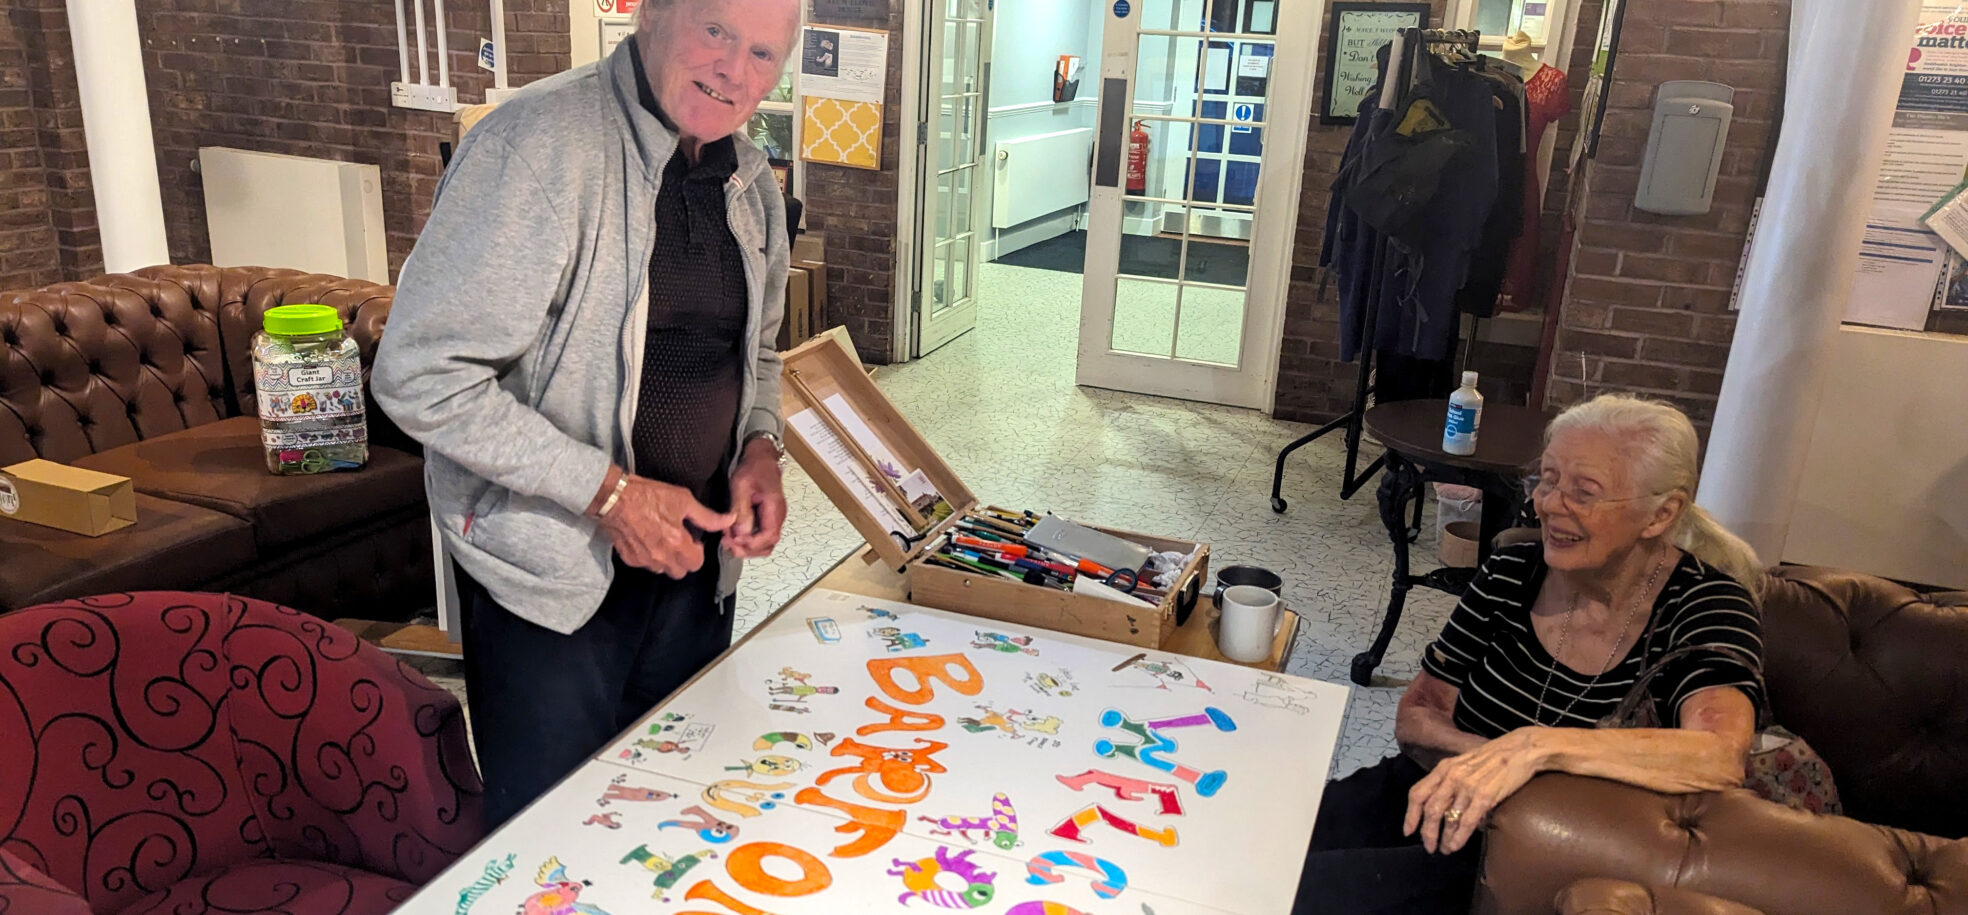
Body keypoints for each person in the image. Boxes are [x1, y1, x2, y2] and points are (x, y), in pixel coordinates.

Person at [372, 0, 802, 827]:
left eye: (762, 53)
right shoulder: (533, 146)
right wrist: (610, 494)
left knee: (672, 827)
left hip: (694, 572)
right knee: (554, 849)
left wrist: (760, 444)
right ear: (649, 15)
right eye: (714, 31)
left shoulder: (750, 182)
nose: (733, 71)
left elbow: (761, 354)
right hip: (553, 584)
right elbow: (421, 375)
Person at [1294, 394, 1768, 914]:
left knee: (1299, 895)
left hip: (1534, 853)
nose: (1548, 503)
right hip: (1427, 787)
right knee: (1258, 839)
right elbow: (1419, 714)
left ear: (1661, 514)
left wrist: (1535, 751)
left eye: (1583, 492)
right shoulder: (1511, 571)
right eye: (1546, 479)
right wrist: (1491, 762)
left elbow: (1719, 754)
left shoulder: (1704, 604)